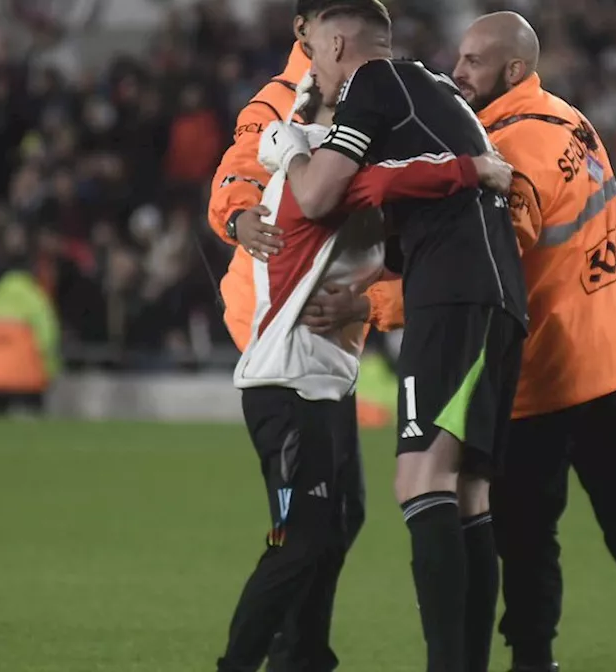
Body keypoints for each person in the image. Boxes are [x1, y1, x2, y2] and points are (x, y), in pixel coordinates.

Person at [258, 3, 529, 671]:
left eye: (316, 49)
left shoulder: (373, 84)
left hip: (455, 296)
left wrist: (290, 145)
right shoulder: (431, 91)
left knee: (419, 478)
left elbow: (319, 196)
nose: (314, 66)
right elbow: (419, 208)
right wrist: (365, 287)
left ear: (341, 41)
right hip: (493, 297)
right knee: (465, 488)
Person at [450, 13, 616, 672]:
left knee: (528, 535)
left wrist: (377, 298)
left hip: (546, 373)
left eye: (473, 62)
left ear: (511, 70)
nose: (457, 72)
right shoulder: (569, 118)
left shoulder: (511, 149)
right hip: (613, 362)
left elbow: (491, 260)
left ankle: (534, 660)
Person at [206, 2, 406, 667]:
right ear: (310, 31)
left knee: (336, 521)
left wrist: (374, 300)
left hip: (327, 353)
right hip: (281, 341)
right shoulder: (288, 104)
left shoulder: (374, 95)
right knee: (308, 530)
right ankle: (292, 656)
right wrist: (237, 217)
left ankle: (303, 655)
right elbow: (238, 169)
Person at [0, 257, 61, 417]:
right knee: (34, 430)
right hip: (28, 376)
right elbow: (48, 339)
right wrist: (51, 370)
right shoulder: (37, 298)